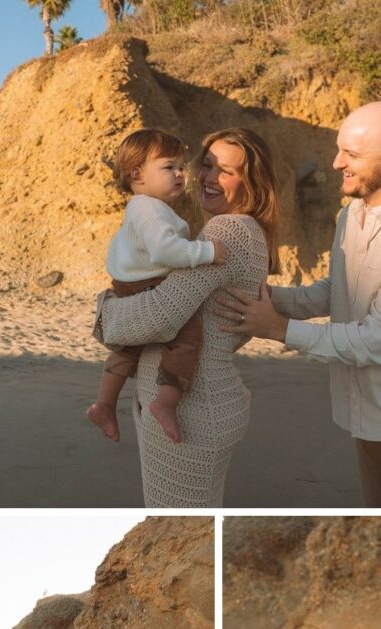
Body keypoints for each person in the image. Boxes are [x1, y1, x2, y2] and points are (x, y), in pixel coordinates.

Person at [217, 100, 381, 508]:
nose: (337, 161)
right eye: (340, 148)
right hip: (373, 411)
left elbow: (377, 340)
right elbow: (337, 291)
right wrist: (272, 298)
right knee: (376, 531)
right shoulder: (354, 213)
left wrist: (277, 328)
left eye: (352, 154)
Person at [93, 126, 280, 507]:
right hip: (203, 401)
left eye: (226, 171)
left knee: (178, 524)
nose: (208, 178)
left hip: (193, 409)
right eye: (207, 165)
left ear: (252, 181)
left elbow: (160, 316)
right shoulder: (249, 230)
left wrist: (105, 313)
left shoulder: (226, 230)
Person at [86, 128, 227, 445]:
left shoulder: (141, 207)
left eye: (180, 167)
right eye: (168, 167)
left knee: (128, 348)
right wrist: (208, 252)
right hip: (148, 287)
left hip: (127, 285)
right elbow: (166, 251)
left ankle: (104, 404)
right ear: (137, 174)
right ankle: (166, 400)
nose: (180, 174)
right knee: (187, 339)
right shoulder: (149, 208)